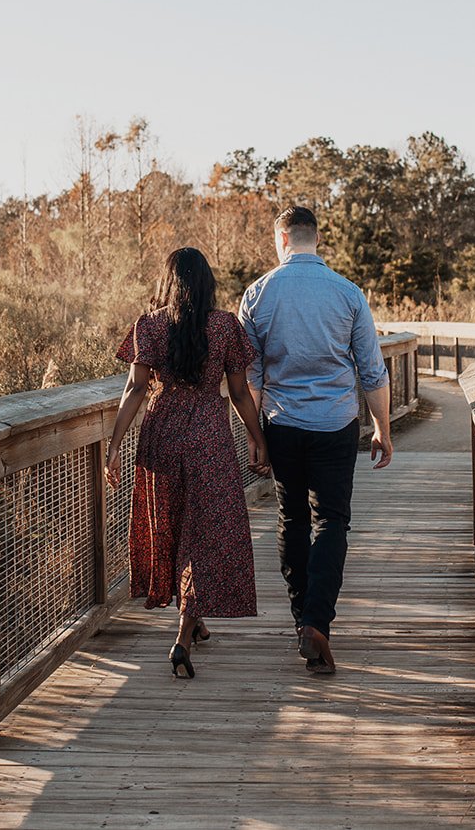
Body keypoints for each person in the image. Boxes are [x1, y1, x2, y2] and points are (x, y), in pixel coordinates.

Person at [238, 206, 392, 675]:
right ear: (315, 239)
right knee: (332, 520)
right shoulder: (348, 293)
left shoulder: (257, 294)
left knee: (292, 519)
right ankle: (317, 622)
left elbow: (251, 376)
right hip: (335, 423)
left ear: (281, 239)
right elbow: (371, 368)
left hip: (282, 424)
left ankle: (301, 617)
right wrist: (383, 426)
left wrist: (254, 438)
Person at [105, 247, 268, 679]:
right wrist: (257, 438)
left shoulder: (149, 326)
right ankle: (183, 635)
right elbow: (238, 393)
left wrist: (114, 445)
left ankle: (193, 621)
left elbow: (135, 390)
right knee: (204, 531)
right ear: (207, 283)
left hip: (161, 437)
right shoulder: (225, 326)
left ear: (168, 282)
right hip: (209, 439)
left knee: (173, 525)